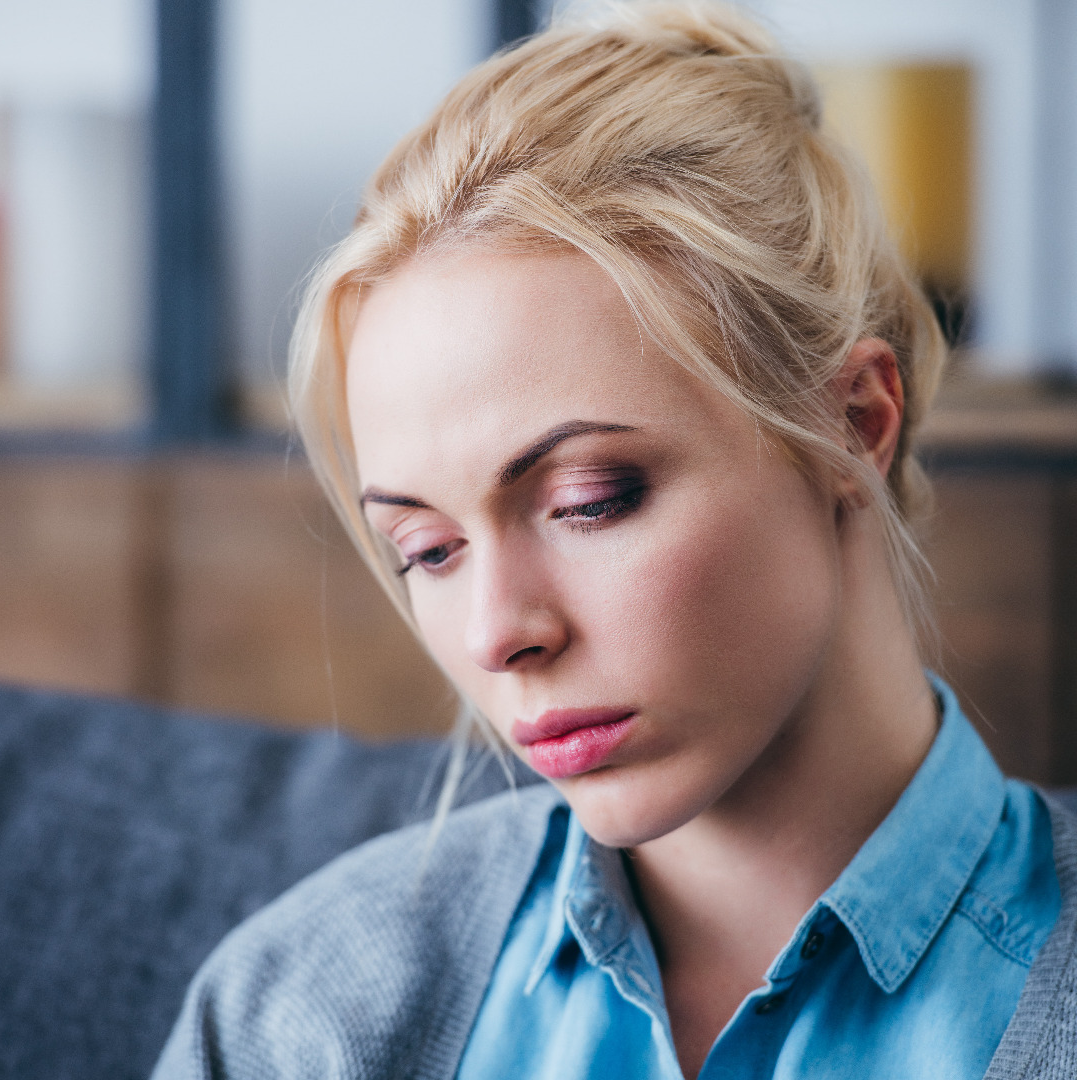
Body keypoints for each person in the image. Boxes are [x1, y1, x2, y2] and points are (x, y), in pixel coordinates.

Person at [152, 3, 1077, 1078]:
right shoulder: (299, 1010)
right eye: (429, 551)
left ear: (853, 424)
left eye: (590, 499)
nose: (498, 634)